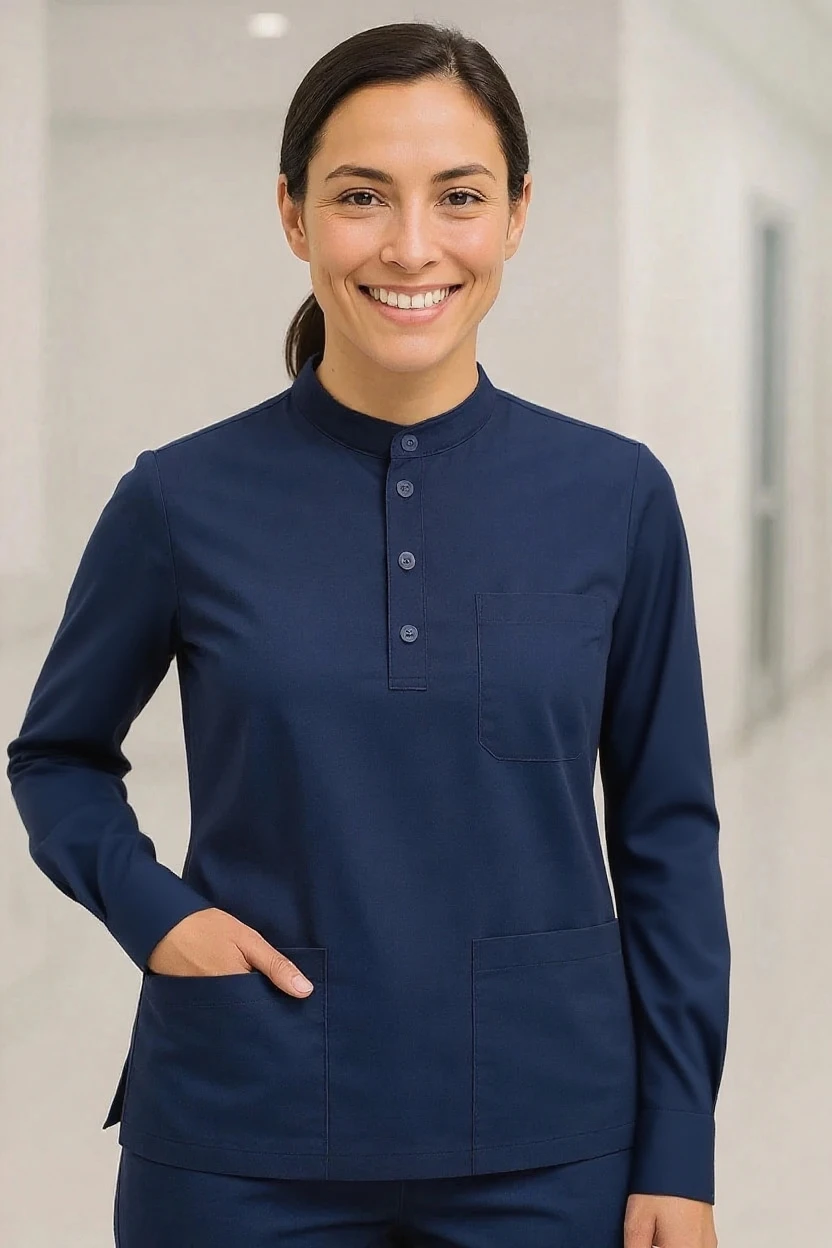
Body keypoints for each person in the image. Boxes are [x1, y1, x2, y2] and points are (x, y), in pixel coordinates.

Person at [6, 19, 730, 1248]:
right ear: (293, 216)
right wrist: (152, 911)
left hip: (550, 1135)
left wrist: (679, 1149)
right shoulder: (179, 500)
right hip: (241, 1134)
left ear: (514, 213)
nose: (410, 245)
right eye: (359, 196)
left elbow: (665, 835)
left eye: (458, 195)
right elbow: (56, 757)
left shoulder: (616, 498)